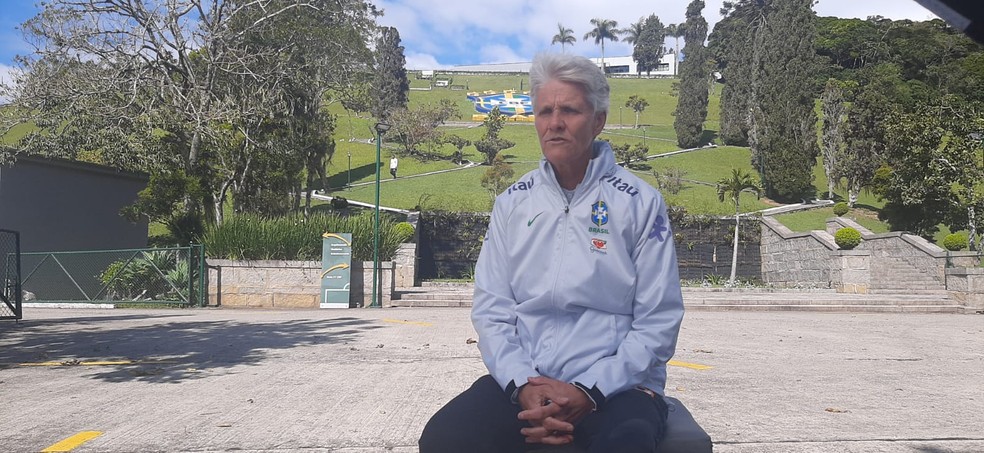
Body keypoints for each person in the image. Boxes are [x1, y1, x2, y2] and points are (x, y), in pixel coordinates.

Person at [419, 52, 684, 452]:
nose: (555, 123)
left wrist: (589, 391)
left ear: (598, 120)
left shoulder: (640, 203)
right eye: (545, 111)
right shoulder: (512, 202)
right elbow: (492, 310)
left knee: (625, 444)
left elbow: (658, 321)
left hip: (617, 388)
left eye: (570, 110)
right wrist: (523, 385)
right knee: (446, 438)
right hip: (526, 382)